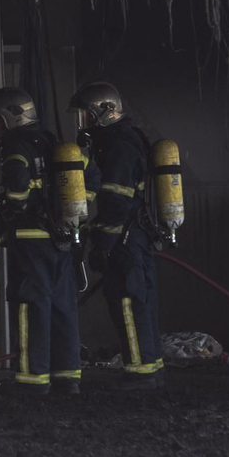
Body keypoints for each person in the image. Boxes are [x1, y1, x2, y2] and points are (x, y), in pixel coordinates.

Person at [0, 86, 82, 395]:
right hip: (60, 238)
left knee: (29, 306)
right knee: (62, 306)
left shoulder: (16, 146)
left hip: (30, 239)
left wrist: (9, 204)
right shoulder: (51, 142)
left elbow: (17, 191)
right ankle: (68, 377)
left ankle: (32, 381)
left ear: (11, 118)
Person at [70, 81, 164, 388]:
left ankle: (140, 373)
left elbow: (115, 198)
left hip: (125, 237)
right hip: (135, 234)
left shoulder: (119, 145)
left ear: (106, 111)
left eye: (87, 115)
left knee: (127, 301)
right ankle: (151, 366)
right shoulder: (121, 139)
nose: (84, 123)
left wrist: (104, 242)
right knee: (141, 299)